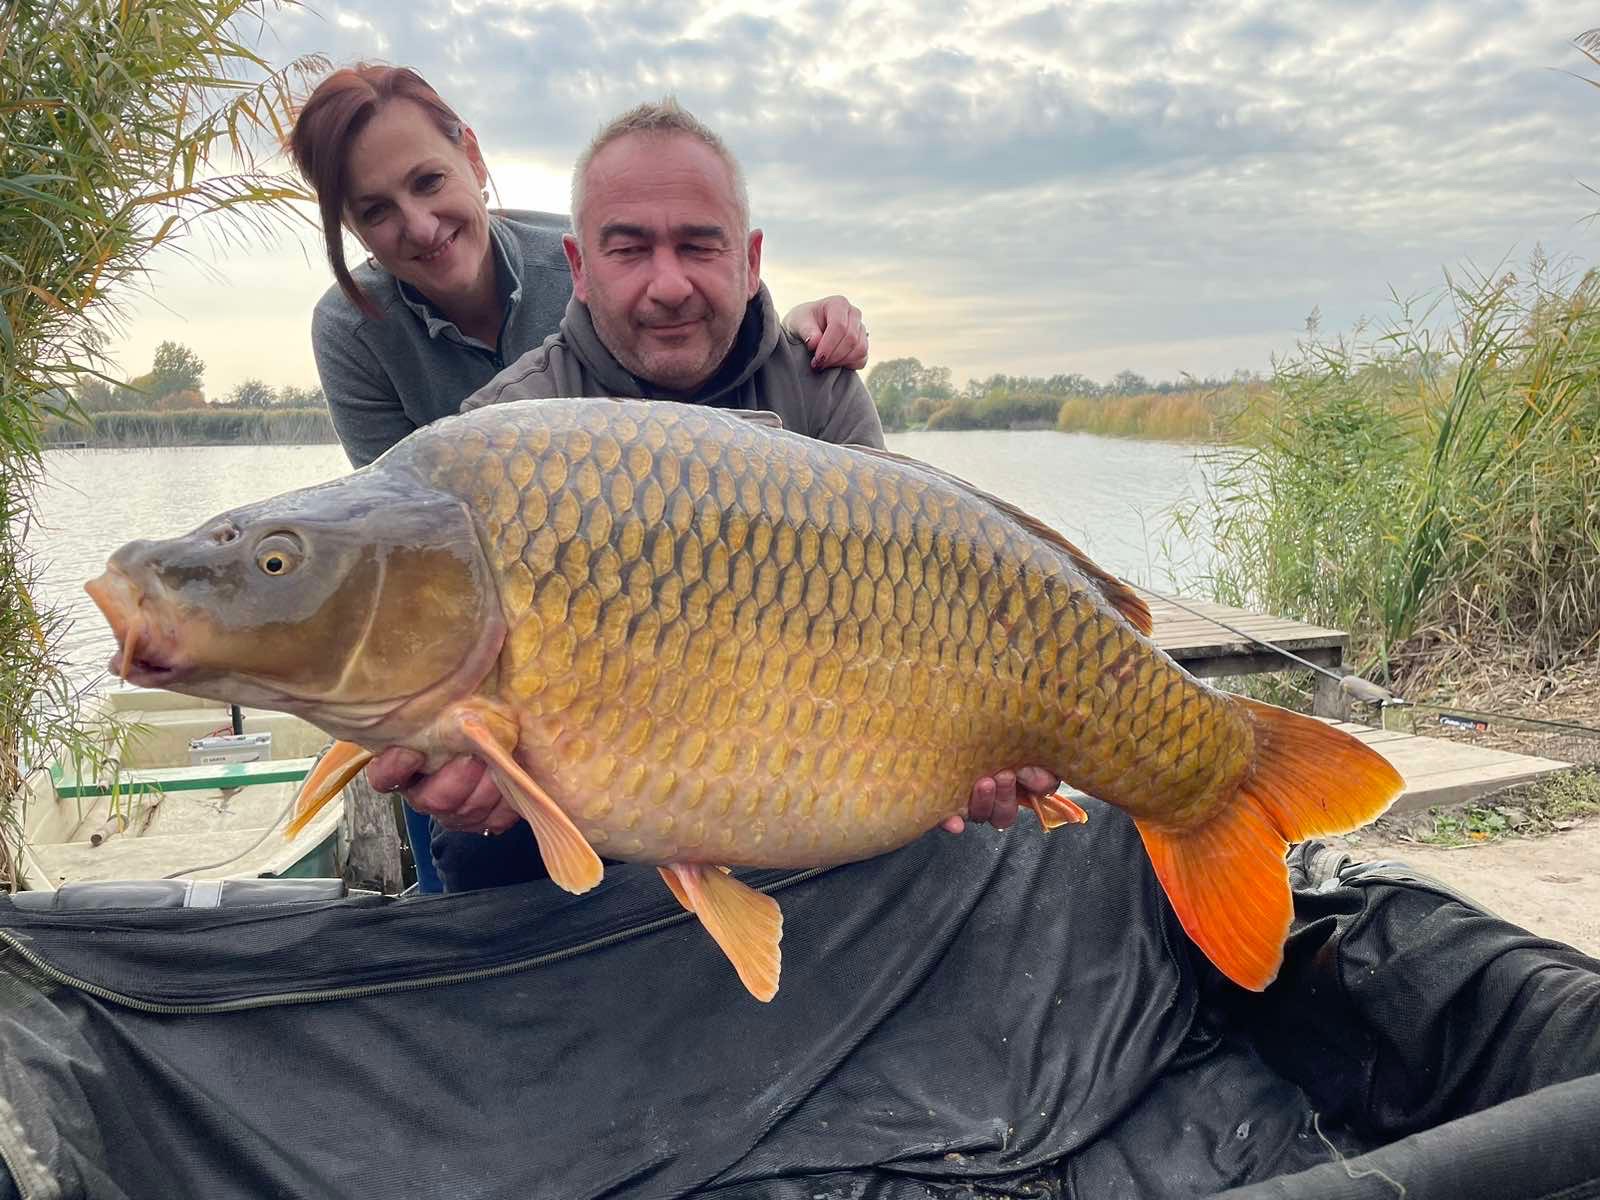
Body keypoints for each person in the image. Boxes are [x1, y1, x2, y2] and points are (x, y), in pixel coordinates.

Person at [289, 77, 1060, 889]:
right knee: (473, 830)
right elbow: (393, 529)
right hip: (583, 808)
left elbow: (932, 595)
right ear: (580, 268)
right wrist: (442, 753)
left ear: (752, 259)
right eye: (628, 250)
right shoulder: (495, 428)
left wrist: (970, 754)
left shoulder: (822, 389)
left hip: (812, 782)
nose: (667, 284)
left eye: (699, 246)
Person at [288, 64, 871, 471]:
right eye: (375, 210)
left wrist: (801, 336)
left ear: (472, 156)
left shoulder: (817, 391)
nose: (418, 225)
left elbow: (716, 304)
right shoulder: (355, 332)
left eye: (429, 182)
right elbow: (398, 514)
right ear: (583, 270)